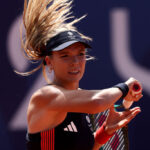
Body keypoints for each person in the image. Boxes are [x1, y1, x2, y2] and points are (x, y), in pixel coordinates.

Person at [20, 0, 143, 150]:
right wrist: (124, 87)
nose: (75, 62)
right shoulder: (45, 97)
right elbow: (97, 102)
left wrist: (106, 131)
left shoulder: (81, 102)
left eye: (80, 54)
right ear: (49, 62)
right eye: (65, 55)